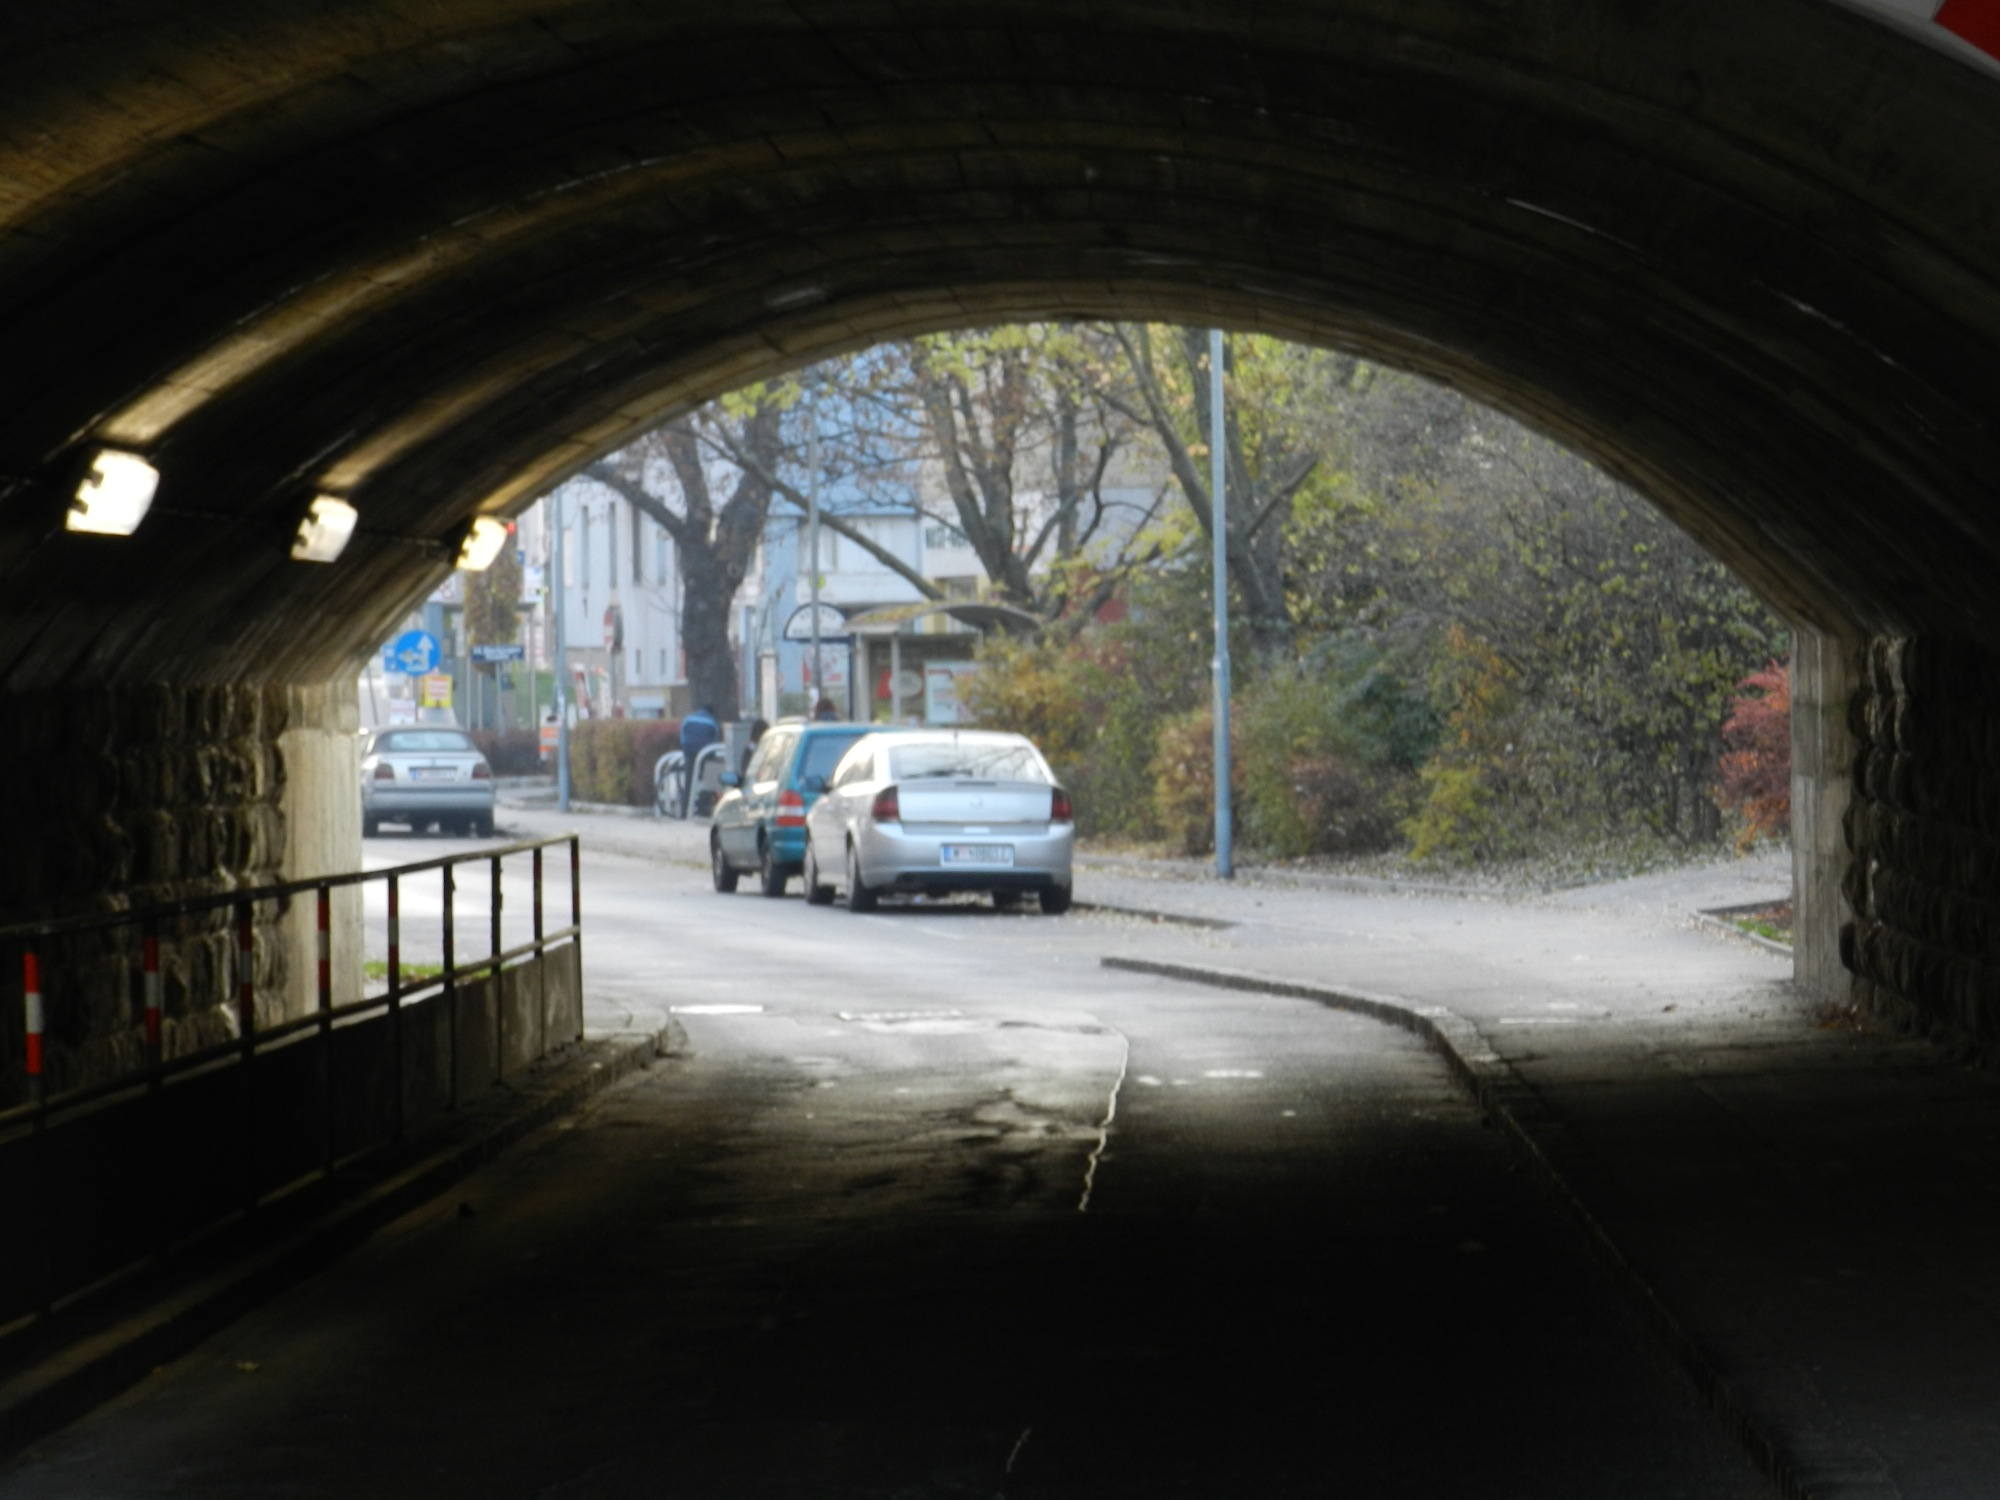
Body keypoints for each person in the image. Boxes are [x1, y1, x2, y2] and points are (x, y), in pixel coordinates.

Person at [677, 702, 720, 816]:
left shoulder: (689, 718)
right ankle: (704, 808)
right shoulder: (712, 721)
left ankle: (684, 811)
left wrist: (685, 749)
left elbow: (682, 736)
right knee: (709, 779)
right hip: (705, 752)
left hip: (689, 751)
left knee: (689, 781)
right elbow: (715, 740)